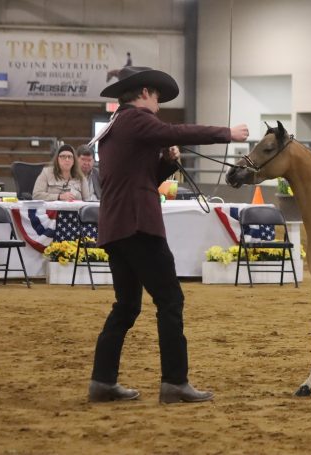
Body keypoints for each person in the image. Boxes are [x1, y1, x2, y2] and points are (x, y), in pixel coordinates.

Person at [88, 66, 249, 404]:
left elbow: (142, 177)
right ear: (144, 92)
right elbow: (178, 130)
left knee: (126, 306)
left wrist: (168, 162)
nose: (159, 104)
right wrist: (227, 133)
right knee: (170, 300)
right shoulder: (136, 119)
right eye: (157, 96)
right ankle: (175, 382)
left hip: (116, 227)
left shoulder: (116, 125)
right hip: (138, 225)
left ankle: (102, 381)